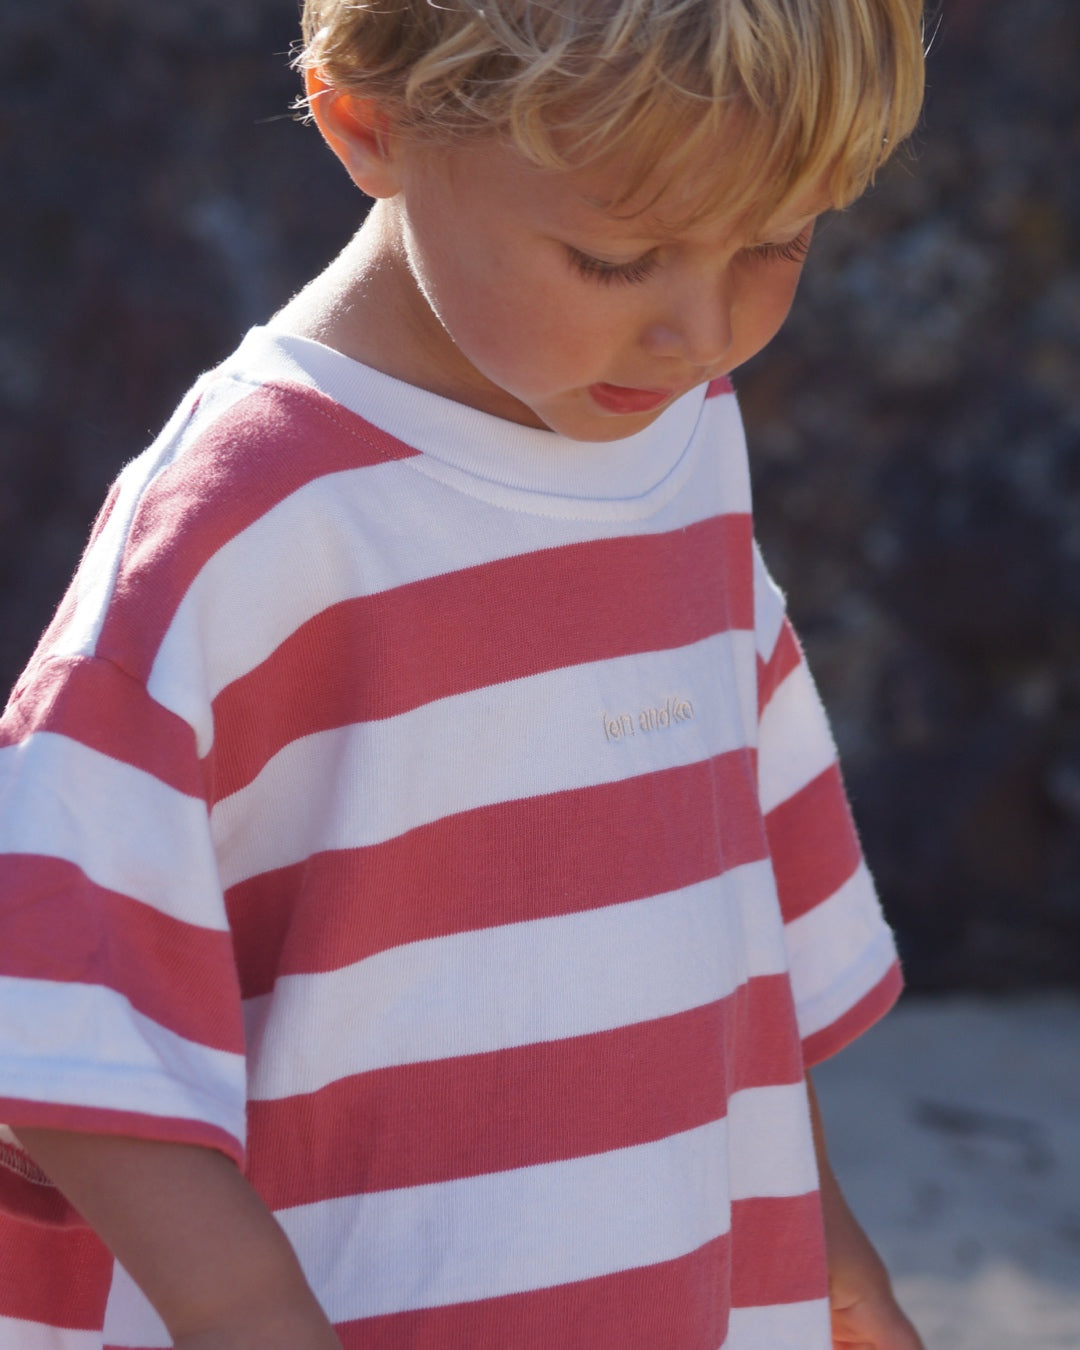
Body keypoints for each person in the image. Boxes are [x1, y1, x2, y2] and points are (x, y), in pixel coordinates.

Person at [0, 0, 928, 1346]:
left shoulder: (677, 444)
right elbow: (53, 984)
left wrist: (815, 1227)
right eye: (618, 258)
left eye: (775, 241)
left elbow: (714, 910)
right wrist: (244, 1307)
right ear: (366, 125)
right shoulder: (246, 519)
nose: (701, 331)